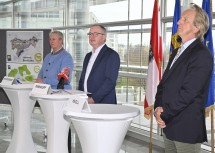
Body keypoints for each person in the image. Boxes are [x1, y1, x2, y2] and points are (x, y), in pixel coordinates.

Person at [154, 3, 213, 153]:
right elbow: (164, 85)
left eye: (185, 19)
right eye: (181, 19)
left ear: (197, 27)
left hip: (185, 128)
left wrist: (164, 114)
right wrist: (157, 108)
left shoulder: (201, 54)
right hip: (168, 124)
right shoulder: (176, 52)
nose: (179, 22)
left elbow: (189, 93)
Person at [35, 30, 73, 153]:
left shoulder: (66, 57)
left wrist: (45, 81)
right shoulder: (48, 56)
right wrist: (39, 78)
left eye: (54, 39)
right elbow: (41, 72)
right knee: (52, 126)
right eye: (50, 39)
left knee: (61, 126)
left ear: (61, 41)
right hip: (48, 94)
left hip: (59, 96)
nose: (51, 42)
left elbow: (64, 78)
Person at [78, 24, 120, 104]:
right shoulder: (88, 56)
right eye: (90, 34)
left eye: (96, 34)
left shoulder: (111, 55)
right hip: (85, 101)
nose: (92, 36)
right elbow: (82, 79)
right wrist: (80, 97)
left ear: (104, 37)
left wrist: (93, 99)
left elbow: (110, 81)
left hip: (103, 104)